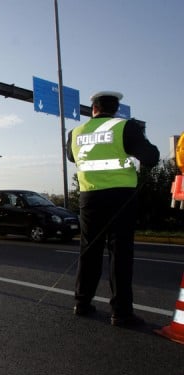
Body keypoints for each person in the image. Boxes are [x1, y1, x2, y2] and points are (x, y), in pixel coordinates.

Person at [66, 91, 159, 327]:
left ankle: (82, 303)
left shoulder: (75, 133)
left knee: (89, 250)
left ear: (93, 109)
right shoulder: (125, 127)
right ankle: (121, 313)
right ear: (115, 108)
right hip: (121, 198)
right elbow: (150, 157)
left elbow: (71, 158)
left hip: (89, 198)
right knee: (120, 253)